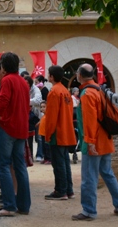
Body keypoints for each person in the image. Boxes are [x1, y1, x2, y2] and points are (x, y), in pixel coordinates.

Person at [72, 63, 118, 221]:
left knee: (89, 178)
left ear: (80, 75)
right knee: (108, 174)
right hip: (105, 139)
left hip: (93, 142)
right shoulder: (99, 90)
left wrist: (89, 142)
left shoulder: (87, 93)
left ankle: (89, 211)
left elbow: (89, 121)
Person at [0, 52, 30, 218]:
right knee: (20, 166)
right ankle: (23, 205)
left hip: (8, 127)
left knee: (3, 165)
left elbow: (3, 101)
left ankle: (9, 205)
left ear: (4, 67)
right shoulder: (23, 81)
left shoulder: (7, 80)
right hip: (21, 128)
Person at [39, 66, 76, 201]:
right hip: (66, 129)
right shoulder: (65, 91)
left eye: (49, 74)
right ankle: (68, 189)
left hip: (57, 132)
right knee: (65, 161)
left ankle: (61, 190)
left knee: (58, 162)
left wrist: (48, 133)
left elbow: (51, 116)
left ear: (52, 77)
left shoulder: (54, 92)